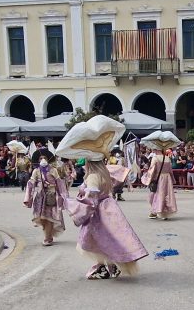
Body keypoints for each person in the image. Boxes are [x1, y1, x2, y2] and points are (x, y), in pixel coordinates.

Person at [57, 116, 148, 280]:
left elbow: (90, 201)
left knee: (95, 241)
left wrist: (70, 203)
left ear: (89, 163)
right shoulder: (104, 171)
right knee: (109, 239)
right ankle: (110, 267)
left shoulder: (92, 176)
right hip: (109, 209)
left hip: (98, 213)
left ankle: (103, 268)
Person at [23, 149, 67, 246]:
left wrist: (62, 196)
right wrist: (28, 197)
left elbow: (59, 183)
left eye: (44, 158)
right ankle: (48, 234)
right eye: (41, 158)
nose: (43, 160)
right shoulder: (36, 171)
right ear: (38, 161)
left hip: (51, 196)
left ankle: (47, 238)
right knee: (42, 218)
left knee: (49, 217)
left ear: (48, 160)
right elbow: (31, 183)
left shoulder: (53, 170)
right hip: (40, 197)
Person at [145, 148, 178, 220]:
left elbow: (152, 170)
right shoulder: (167, 158)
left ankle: (155, 212)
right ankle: (164, 213)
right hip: (167, 178)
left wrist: (149, 180)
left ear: (156, 149)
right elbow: (170, 171)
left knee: (157, 195)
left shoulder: (155, 158)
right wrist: (173, 180)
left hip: (159, 178)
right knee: (167, 194)